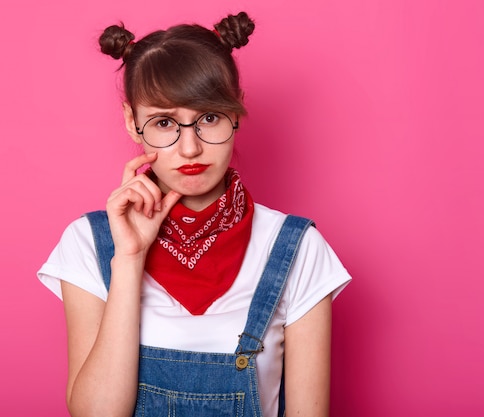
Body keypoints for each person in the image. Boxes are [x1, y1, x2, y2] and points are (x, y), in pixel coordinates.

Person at [38, 11, 351, 417]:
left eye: (208, 118)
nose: (190, 149)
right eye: (164, 122)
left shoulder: (297, 248)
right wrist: (129, 260)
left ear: (236, 112)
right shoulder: (88, 242)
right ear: (132, 123)